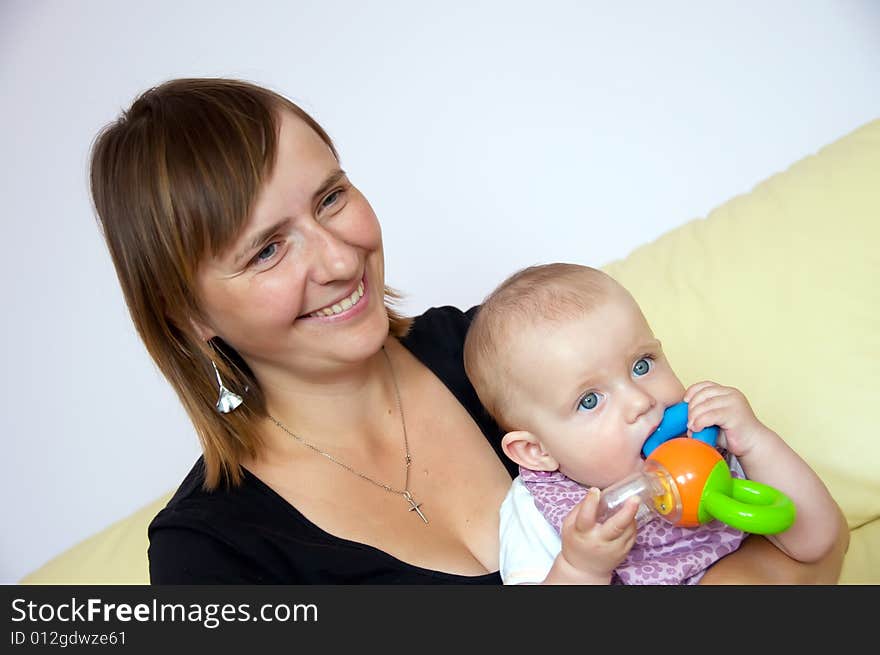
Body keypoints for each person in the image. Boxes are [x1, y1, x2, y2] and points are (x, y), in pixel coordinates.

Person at [89, 78, 847, 584]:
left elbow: (800, 549)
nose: (337, 255)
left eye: (329, 197)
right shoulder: (211, 555)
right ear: (186, 316)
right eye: (266, 249)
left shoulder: (501, 354)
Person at [462, 262, 845, 584]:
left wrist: (756, 442)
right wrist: (580, 568)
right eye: (590, 400)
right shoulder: (539, 512)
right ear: (536, 450)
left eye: (641, 365)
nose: (641, 401)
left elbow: (818, 540)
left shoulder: (706, 442)